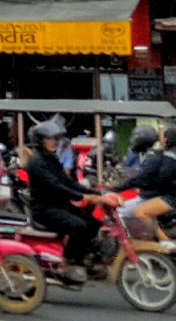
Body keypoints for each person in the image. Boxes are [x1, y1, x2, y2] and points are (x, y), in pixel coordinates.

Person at [23, 121, 119, 283]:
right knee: (79, 226)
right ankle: (66, 263)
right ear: (41, 141)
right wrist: (83, 198)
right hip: (45, 210)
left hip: (60, 205)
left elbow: (69, 182)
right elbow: (57, 187)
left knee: (93, 222)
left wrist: (97, 193)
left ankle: (81, 259)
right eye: (50, 138)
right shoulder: (36, 163)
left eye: (55, 138)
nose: (55, 142)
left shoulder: (51, 159)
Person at [108, 126, 176, 229]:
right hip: (168, 195)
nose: (160, 139)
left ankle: (164, 243)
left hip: (171, 198)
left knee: (129, 212)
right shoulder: (167, 155)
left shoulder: (168, 157)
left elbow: (158, 179)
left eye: (162, 136)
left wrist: (117, 188)